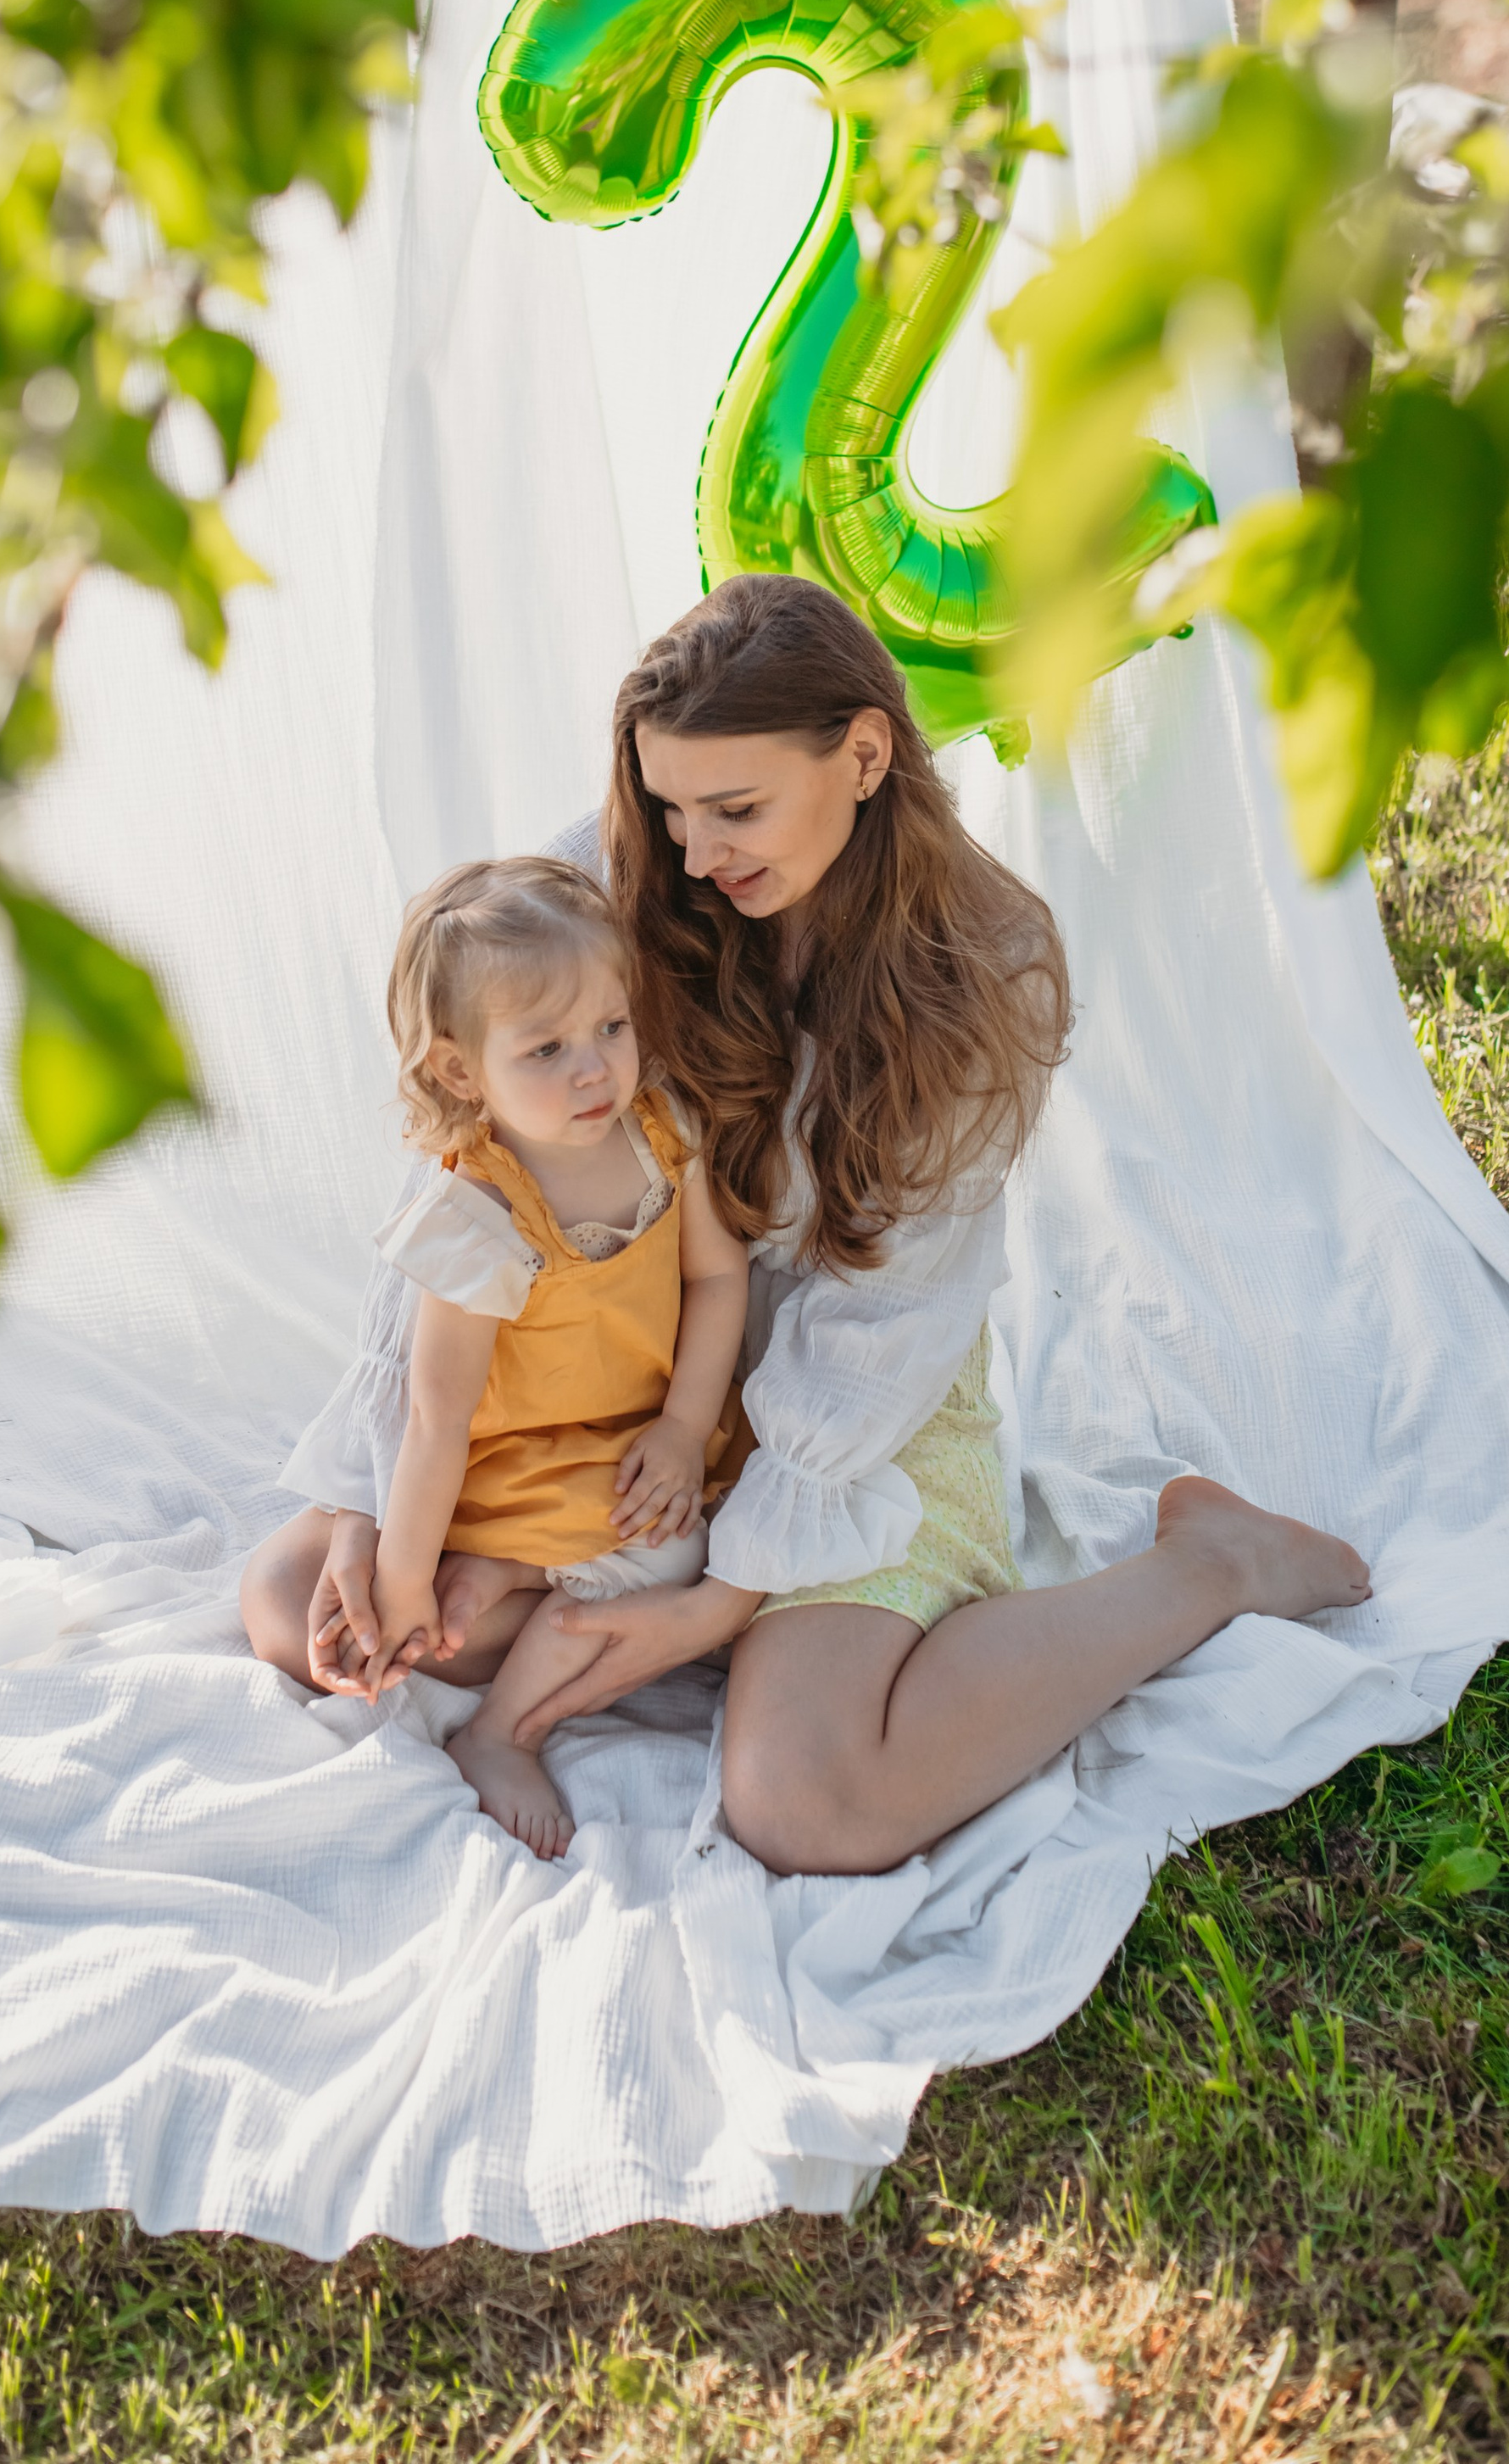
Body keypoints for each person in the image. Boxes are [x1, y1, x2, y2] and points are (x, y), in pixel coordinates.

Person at [255, 577, 1372, 1879]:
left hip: (850, 1406)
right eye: (670, 808)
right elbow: (464, 1177)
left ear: (864, 754)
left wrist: (720, 1600)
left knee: (808, 1804)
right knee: (296, 1607)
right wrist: (364, 1505)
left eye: (735, 810)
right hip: (630, 1383)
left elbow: (883, 1331)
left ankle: (1211, 1566)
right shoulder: (608, 877)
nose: (694, 854)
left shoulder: (985, 964)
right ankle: (661, 1603)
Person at [242, 856, 749, 1858]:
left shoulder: (664, 1135)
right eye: (547, 1048)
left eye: (612, 1027)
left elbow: (717, 1281)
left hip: (627, 1448)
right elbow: (431, 1422)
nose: (595, 1069)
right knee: (301, 1610)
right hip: (502, 1469)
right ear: (461, 1071)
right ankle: (500, 1708)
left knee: (687, 1550)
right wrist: (403, 1580)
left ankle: (505, 1641)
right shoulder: (476, 1216)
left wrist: (686, 1428)